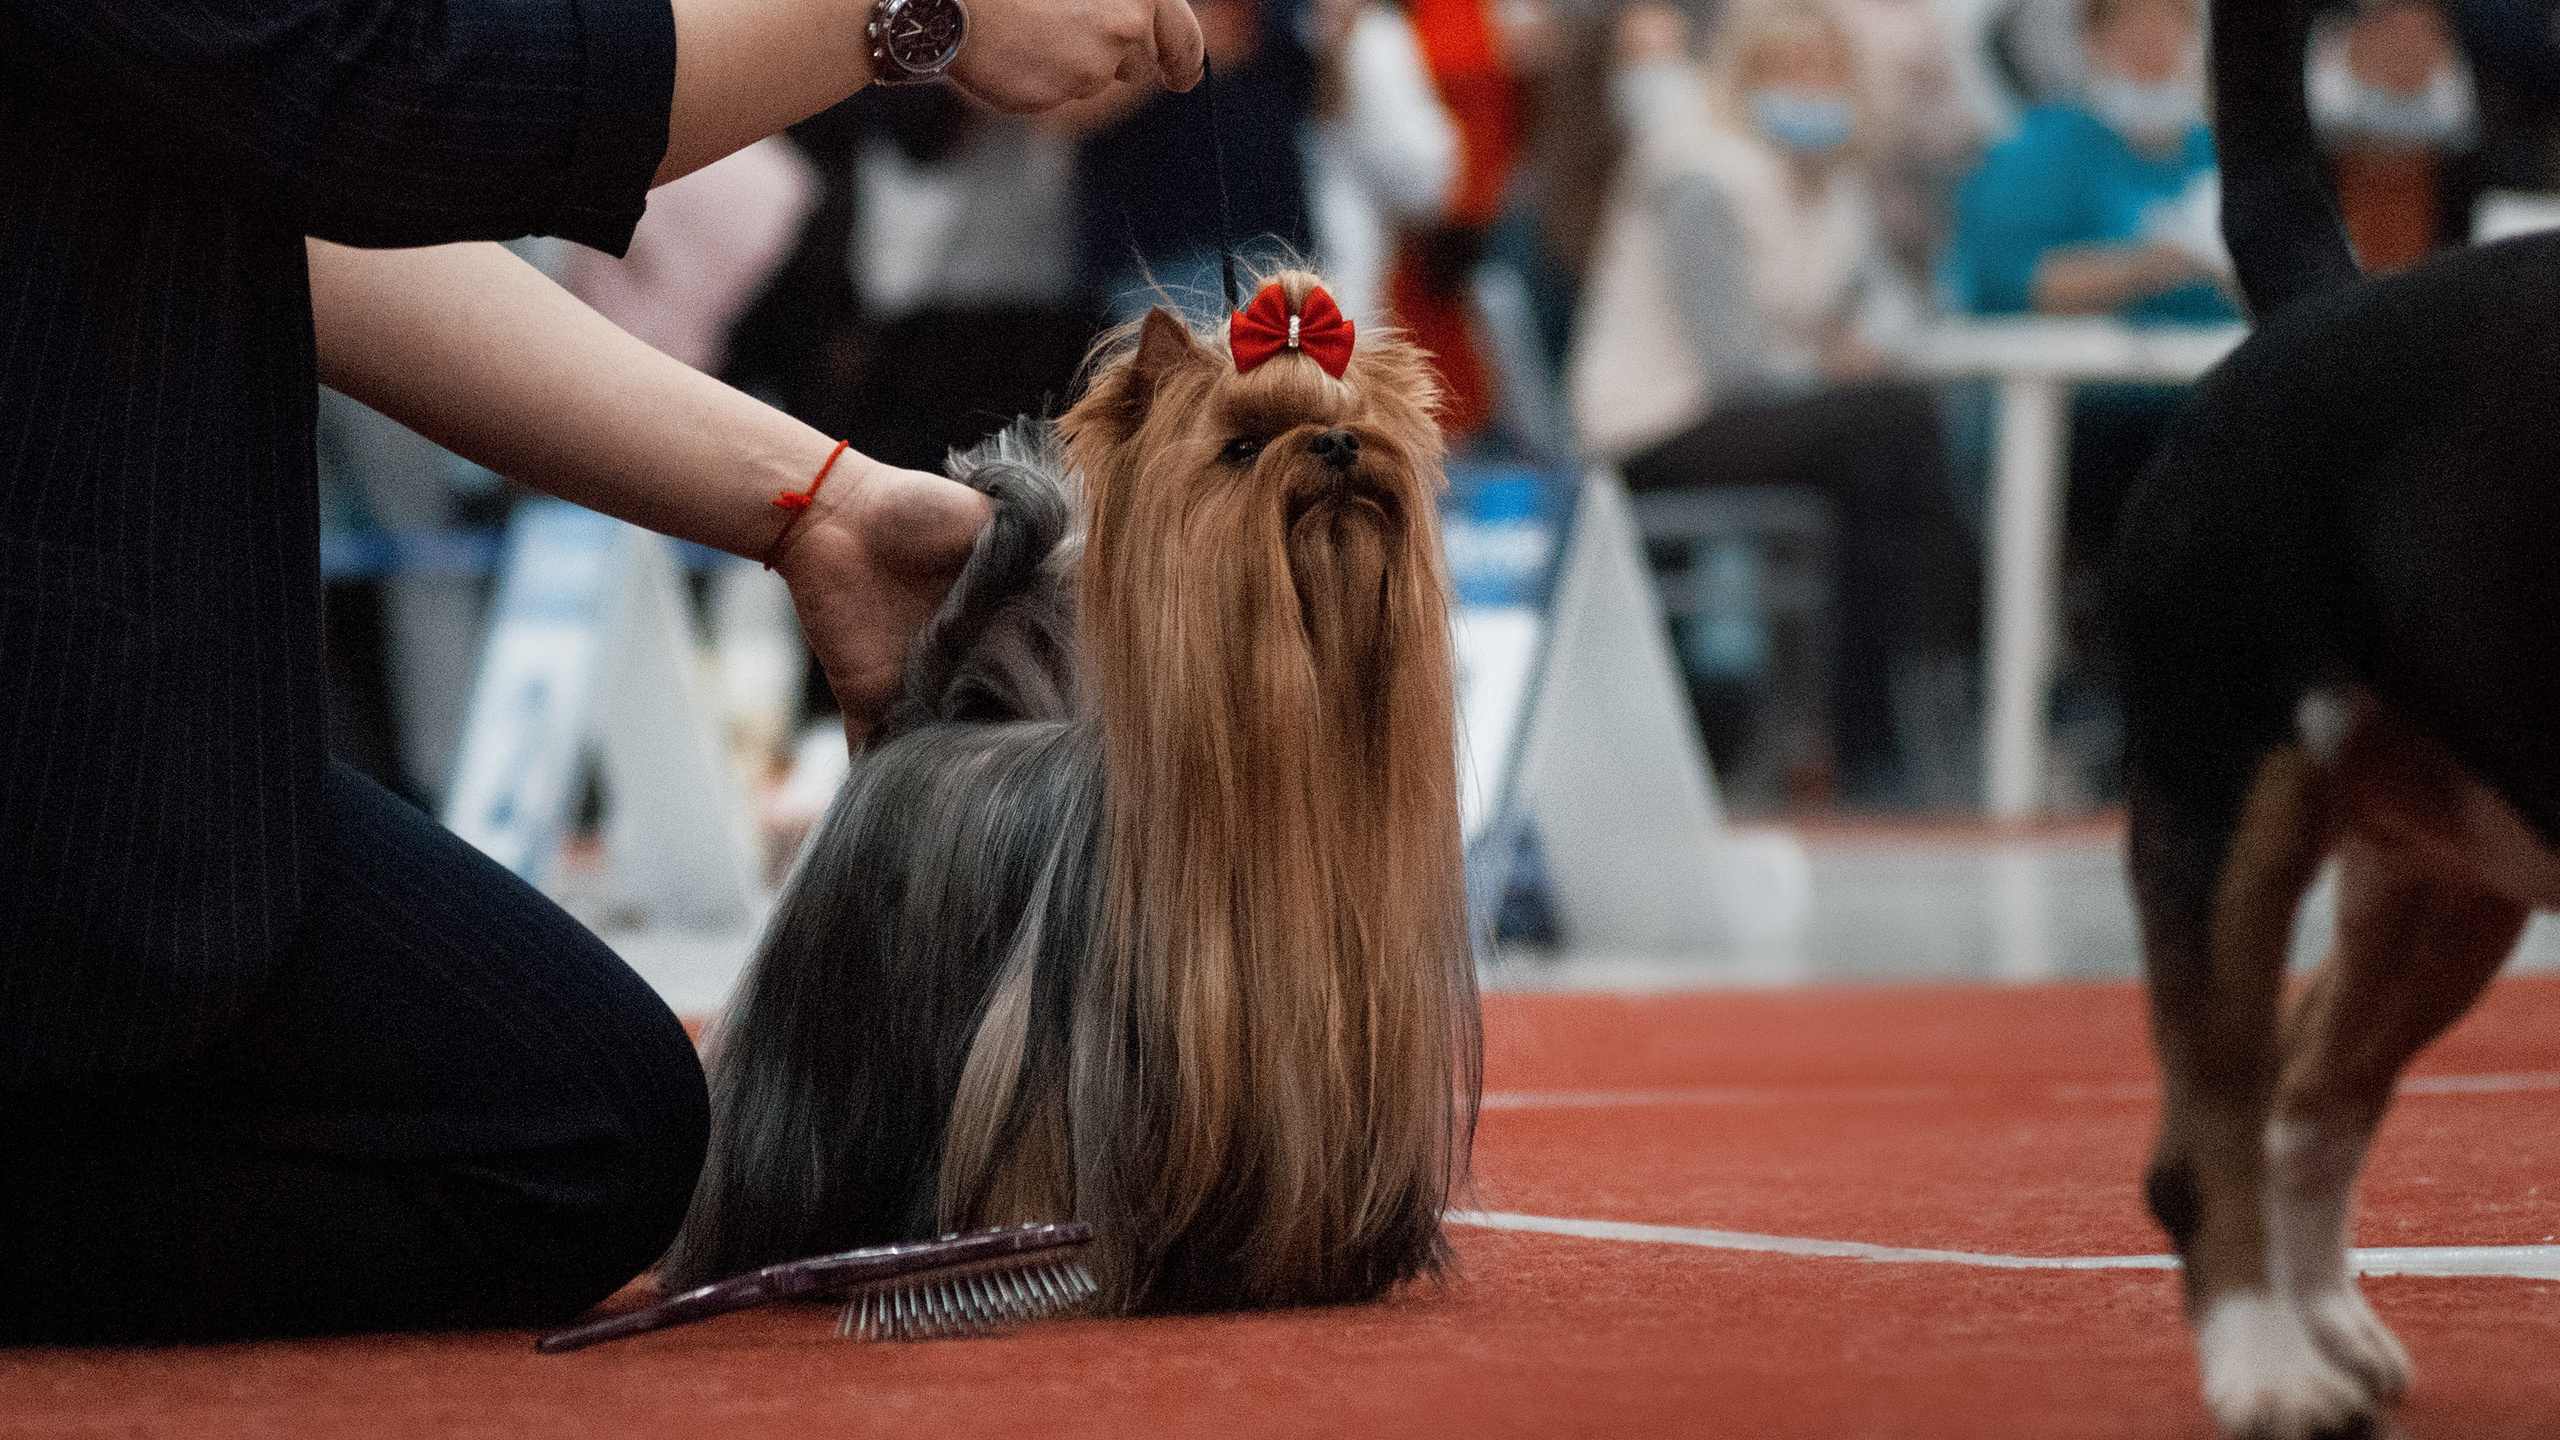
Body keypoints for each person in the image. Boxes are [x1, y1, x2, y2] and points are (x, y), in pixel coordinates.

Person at [0, 0, 1203, 1343]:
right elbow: (383, 90)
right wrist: (916, 20)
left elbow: (308, 233)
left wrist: (814, 504)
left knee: (593, 1134)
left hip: (147, 718)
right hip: (66, 736)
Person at [1569, 0, 1975, 805]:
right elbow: (1736, 367)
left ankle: (1870, 731)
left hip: (1759, 419)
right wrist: (1836, 366)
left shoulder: (1831, 183)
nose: (1813, 89)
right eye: (1790, 73)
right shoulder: (1701, 174)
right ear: (1742, 80)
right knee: (1898, 428)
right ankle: (1924, 694)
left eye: (1827, 72)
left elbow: (1869, 313)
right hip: (1654, 423)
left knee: (1889, 461)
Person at [2308, 0, 2483, 270]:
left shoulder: (2439, 38)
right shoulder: (2333, 35)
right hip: (2349, 198)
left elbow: (2459, 127)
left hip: (2421, 205)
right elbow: (2321, 119)